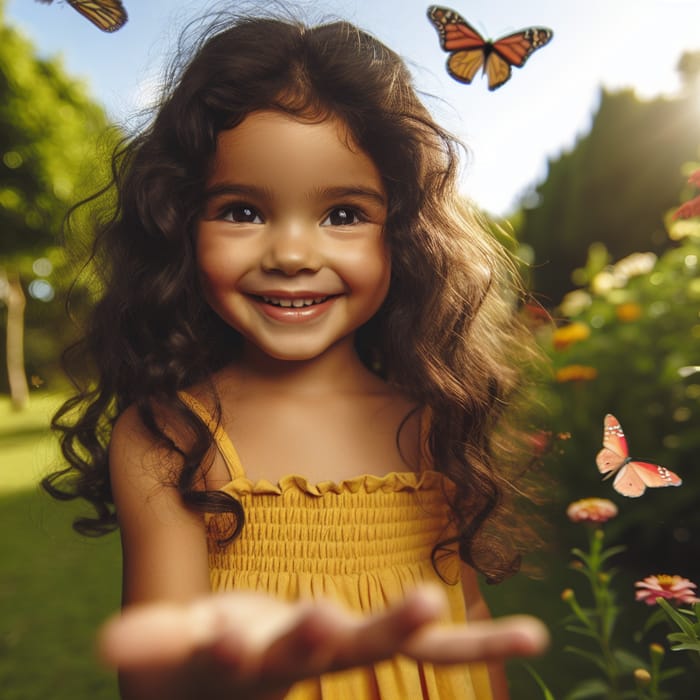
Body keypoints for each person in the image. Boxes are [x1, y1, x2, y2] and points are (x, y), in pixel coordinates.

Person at [44, 9, 549, 700]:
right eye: (242, 211)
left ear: (403, 232)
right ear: (178, 224)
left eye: (343, 214)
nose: (290, 255)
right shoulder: (172, 439)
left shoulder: (436, 420)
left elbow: (470, 619)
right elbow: (155, 678)